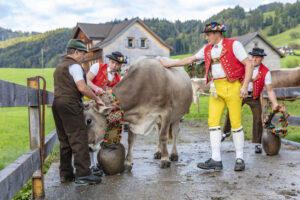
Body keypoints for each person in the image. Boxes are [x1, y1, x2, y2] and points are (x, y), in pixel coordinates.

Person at [160, 22, 253, 171]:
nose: (206, 38)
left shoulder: (234, 45)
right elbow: (190, 60)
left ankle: (240, 158)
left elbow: (248, 64)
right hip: (216, 88)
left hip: (233, 86)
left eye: (208, 35)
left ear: (217, 34)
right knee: (213, 122)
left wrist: (244, 86)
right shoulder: (207, 49)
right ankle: (216, 159)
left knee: (235, 123)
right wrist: (169, 65)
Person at [52, 39, 104, 185]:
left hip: (57, 104)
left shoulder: (59, 67)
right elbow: (82, 87)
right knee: (78, 136)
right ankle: (83, 174)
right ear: (75, 52)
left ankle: (66, 174)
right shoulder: (74, 66)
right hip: (70, 104)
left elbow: (54, 90)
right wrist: (96, 98)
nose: (84, 57)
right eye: (83, 53)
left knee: (64, 140)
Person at [222, 47, 278, 154]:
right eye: (253, 56)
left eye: (257, 57)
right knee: (230, 113)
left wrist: (275, 103)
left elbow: (269, 90)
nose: (254, 59)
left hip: (254, 96)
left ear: (262, 59)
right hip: (240, 94)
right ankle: (225, 132)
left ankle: (257, 143)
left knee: (258, 118)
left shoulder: (266, 72)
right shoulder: (243, 66)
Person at [86, 51, 127, 174]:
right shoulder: (97, 67)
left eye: (117, 64)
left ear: (120, 66)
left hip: (104, 108)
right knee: (90, 134)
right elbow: (86, 81)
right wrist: (96, 88)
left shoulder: (118, 78)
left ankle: (100, 162)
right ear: (109, 61)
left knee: (102, 134)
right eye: (113, 63)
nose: (114, 66)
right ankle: (91, 165)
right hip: (91, 104)